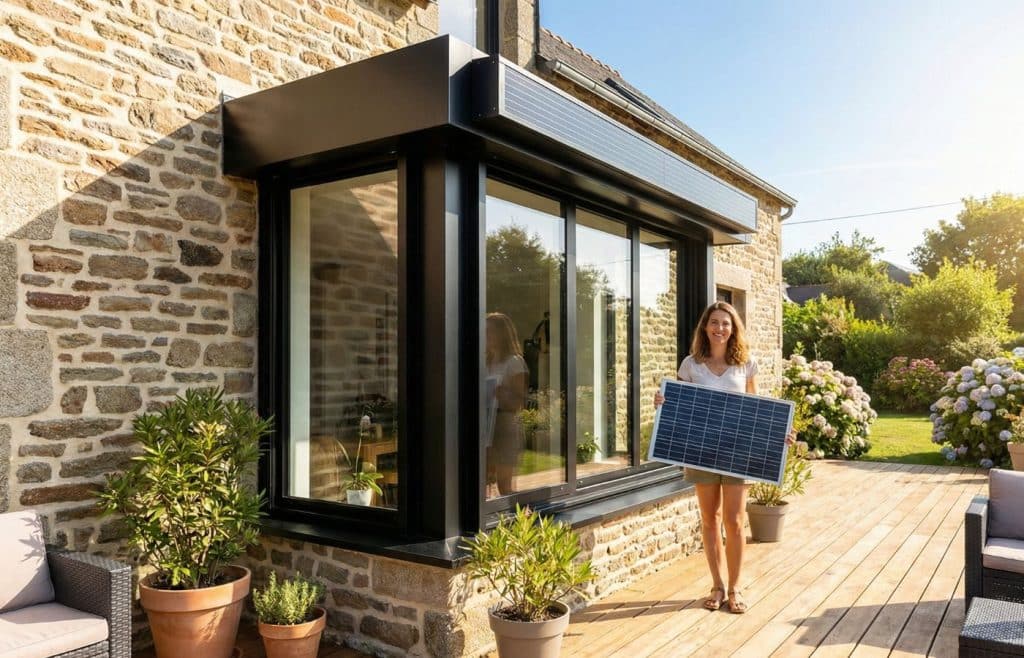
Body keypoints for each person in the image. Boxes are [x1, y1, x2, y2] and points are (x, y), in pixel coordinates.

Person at [654, 301, 794, 614]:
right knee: (709, 520)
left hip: (738, 453)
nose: (720, 329)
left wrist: (779, 433)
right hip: (701, 453)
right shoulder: (691, 365)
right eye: (715, 322)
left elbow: (757, 410)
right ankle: (716, 586)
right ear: (705, 327)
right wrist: (664, 402)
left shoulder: (746, 364)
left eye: (726, 323)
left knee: (733, 521)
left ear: (734, 329)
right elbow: (680, 410)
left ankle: (735, 588)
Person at [485, 312, 529, 498]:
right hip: (486, 423)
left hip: (504, 425)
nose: (484, 336)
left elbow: (519, 402)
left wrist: (501, 394)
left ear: (501, 334)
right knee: (483, 480)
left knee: (504, 486)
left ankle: (515, 523)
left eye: (488, 332)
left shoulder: (514, 362)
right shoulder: (485, 362)